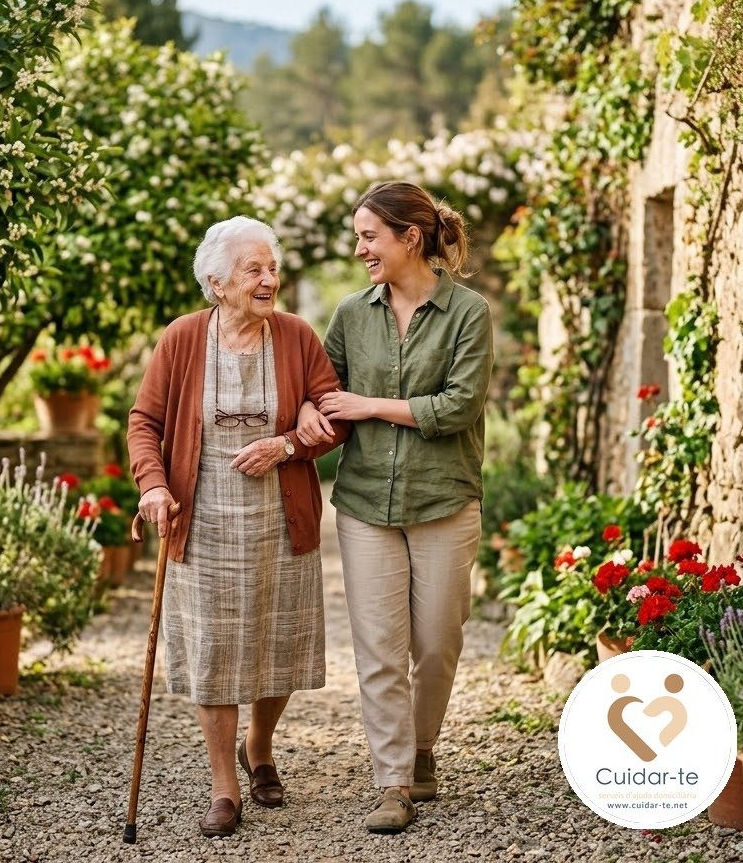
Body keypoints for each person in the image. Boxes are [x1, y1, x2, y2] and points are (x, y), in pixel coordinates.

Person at [127, 215, 349, 838]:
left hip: (282, 519)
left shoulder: (299, 337)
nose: (268, 279)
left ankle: (261, 744)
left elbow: (335, 417)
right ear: (217, 282)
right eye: (254, 270)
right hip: (204, 521)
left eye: (271, 268)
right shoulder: (181, 339)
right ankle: (225, 785)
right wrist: (153, 485)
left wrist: (290, 443)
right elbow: (145, 421)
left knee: (280, 643)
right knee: (215, 649)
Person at [296, 180, 493, 835]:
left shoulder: (469, 313)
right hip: (363, 504)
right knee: (380, 649)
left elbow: (458, 407)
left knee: (436, 644)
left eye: (369, 237)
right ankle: (393, 782)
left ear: (411, 238)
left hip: (444, 499)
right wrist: (307, 409)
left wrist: (368, 406)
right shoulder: (353, 314)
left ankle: (422, 745)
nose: (360, 250)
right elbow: (322, 385)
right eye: (359, 238)